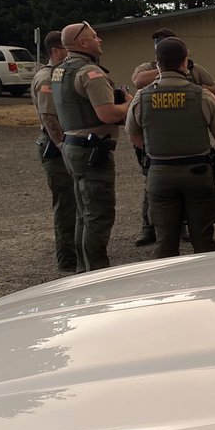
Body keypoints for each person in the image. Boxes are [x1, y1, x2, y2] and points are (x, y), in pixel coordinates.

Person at [125, 37, 215, 258]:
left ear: (157, 65)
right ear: (185, 62)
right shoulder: (203, 96)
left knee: (165, 240)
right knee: (203, 239)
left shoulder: (142, 97)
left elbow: (134, 138)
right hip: (198, 173)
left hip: (160, 174)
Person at [53, 20, 131, 271]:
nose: (100, 40)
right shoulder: (90, 73)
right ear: (83, 43)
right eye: (95, 37)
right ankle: (96, 270)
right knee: (99, 213)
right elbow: (107, 114)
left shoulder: (60, 70)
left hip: (72, 146)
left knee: (82, 213)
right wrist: (130, 103)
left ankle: (81, 267)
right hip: (92, 150)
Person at [30, 29, 79, 274]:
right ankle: (67, 263)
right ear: (55, 51)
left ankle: (76, 256)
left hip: (64, 144)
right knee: (66, 206)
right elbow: (49, 119)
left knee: (76, 203)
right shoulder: (47, 78)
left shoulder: (59, 75)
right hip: (56, 147)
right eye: (66, 49)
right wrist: (63, 147)